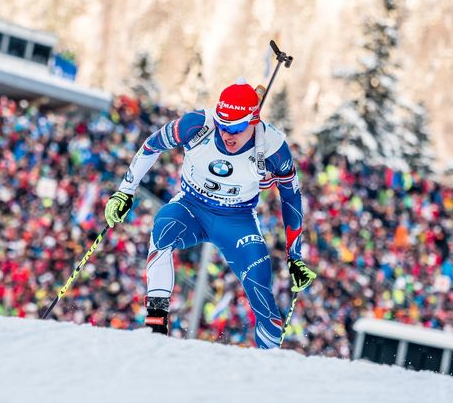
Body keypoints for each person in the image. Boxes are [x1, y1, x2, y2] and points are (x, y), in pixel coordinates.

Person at [105, 78, 317, 349]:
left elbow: (291, 197)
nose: (228, 135)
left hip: (237, 220)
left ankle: (269, 366)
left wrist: (294, 256)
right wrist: (125, 191)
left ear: (253, 121)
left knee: (260, 283)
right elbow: (152, 145)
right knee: (163, 228)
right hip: (191, 208)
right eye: (223, 125)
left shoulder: (273, 147)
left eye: (237, 128)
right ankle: (156, 326)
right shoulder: (198, 124)